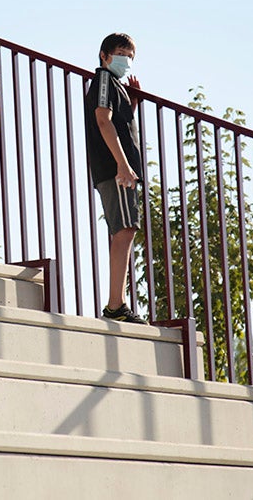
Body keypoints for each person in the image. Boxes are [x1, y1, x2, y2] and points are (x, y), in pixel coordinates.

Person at [84, 32, 147, 324]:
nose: (126, 61)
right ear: (104, 56)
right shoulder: (105, 81)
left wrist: (131, 103)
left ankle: (116, 304)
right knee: (124, 230)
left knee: (125, 230)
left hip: (117, 170)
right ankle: (115, 306)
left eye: (130, 57)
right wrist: (122, 165)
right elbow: (102, 119)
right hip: (115, 170)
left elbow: (115, 121)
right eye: (121, 54)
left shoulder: (115, 86)